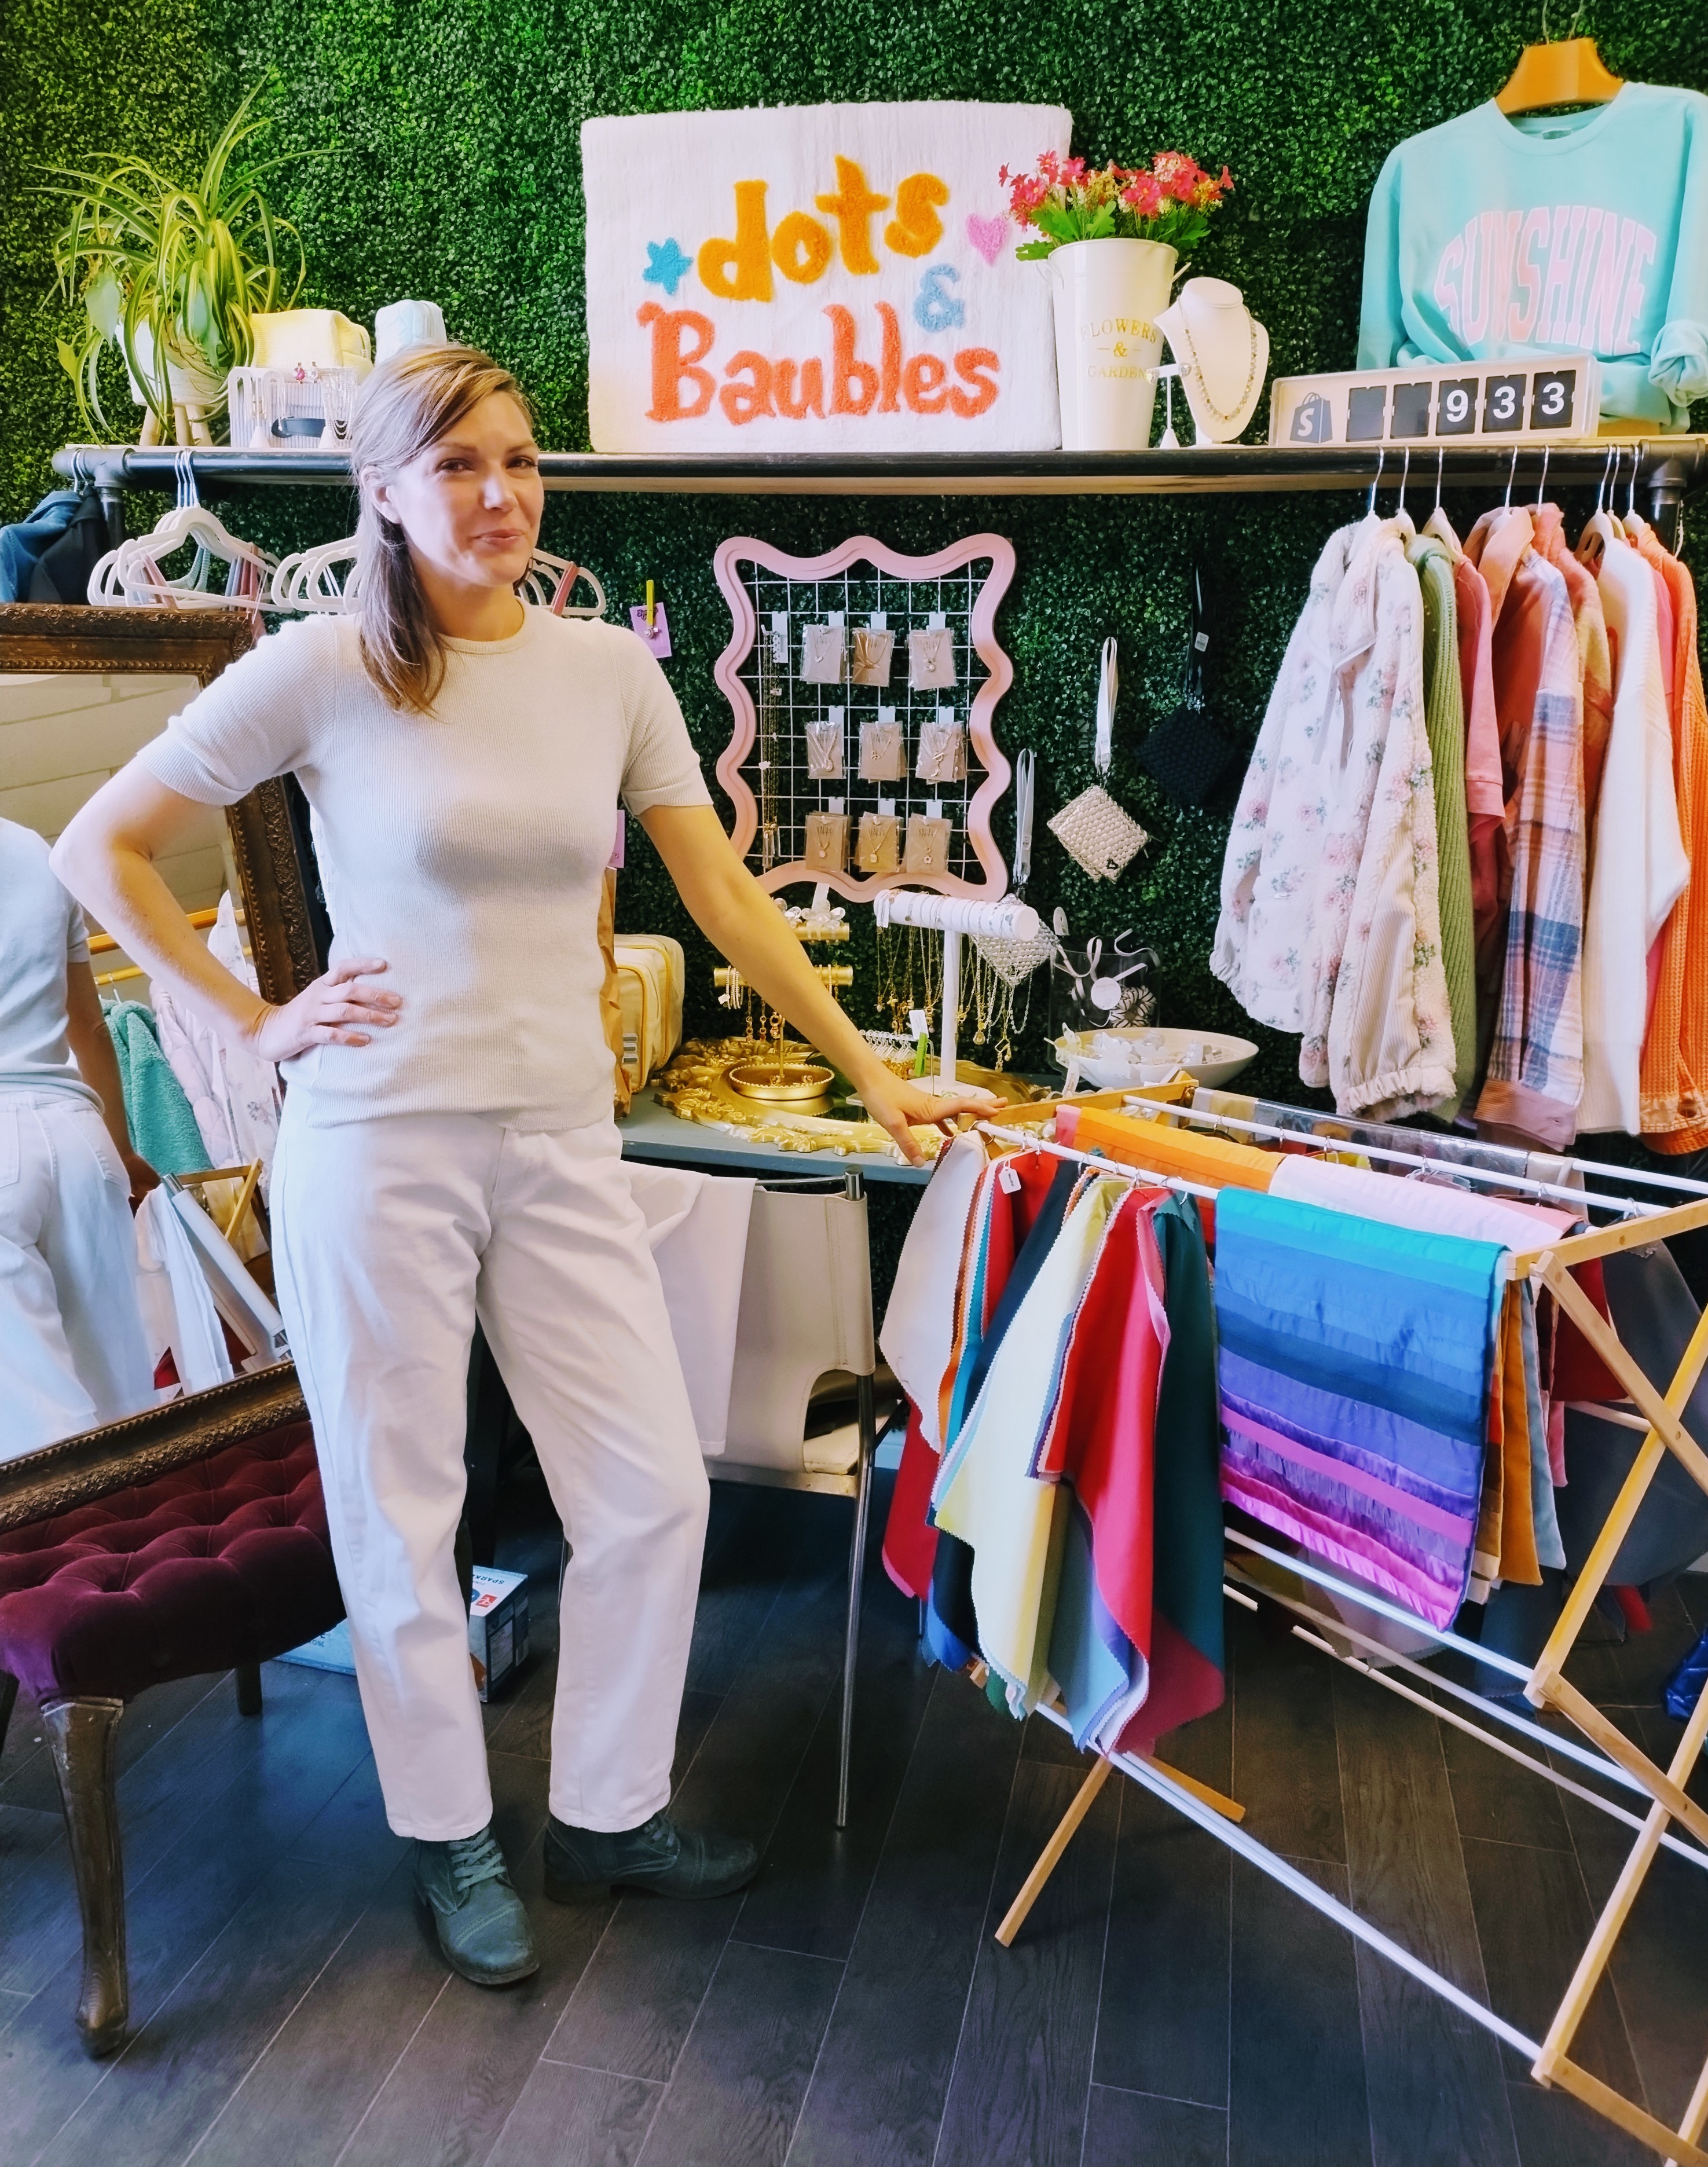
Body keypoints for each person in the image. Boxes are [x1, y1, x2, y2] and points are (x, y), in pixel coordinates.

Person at [52, 344, 994, 1989]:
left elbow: (718, 892)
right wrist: (254, 1018)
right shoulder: (320, 666)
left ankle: (609, 1806)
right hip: (379, 1138)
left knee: (646, 1482)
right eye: (459, 465)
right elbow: (99, 844)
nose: (499, 493)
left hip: (563, 1129)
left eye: (520, 460)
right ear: (387, 491)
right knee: (403, 1498)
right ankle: (448, 1833)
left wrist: (871, 1072)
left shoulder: (603, 672)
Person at [0, 816, 157, 1455]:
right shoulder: (35, 848)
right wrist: (120, 1150)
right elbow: (89, 1026)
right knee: (127, 1406)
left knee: (39, 1433)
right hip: (77, 1133)